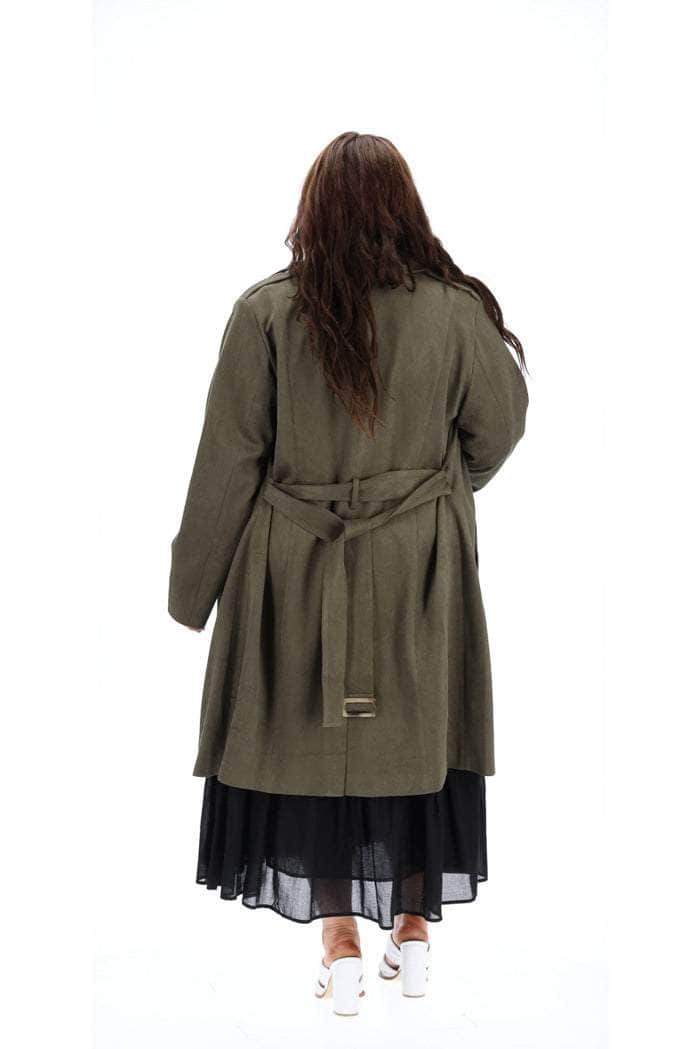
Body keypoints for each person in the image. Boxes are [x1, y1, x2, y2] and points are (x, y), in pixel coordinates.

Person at [168, 131, 529, 1016]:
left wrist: (191, 591)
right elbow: (500, 428)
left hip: (295, 570)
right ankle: (414, 931)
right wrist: (431, 494)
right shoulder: (456, 312)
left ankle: (338, 947)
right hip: (421, 570)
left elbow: (228, 462)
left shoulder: (266, 312)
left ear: (313, 209)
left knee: (310, 748)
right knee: (419, 738)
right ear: (406, 208)